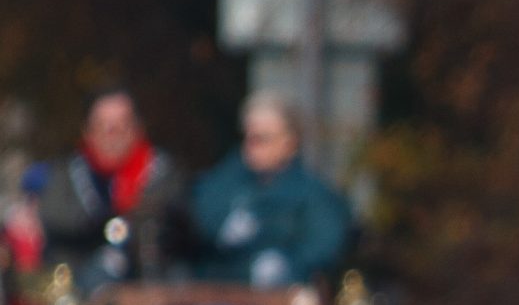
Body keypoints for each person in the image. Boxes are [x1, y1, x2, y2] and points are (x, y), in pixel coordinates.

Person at [11, 88, 191, 285]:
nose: (113, 137)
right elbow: (52, 219)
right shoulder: (64, 179)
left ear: (138, 129)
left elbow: (179, 228)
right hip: (80, 286)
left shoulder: (164, 175)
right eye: (104, 127)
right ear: (87, 132)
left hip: (155, 283)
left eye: (122, 127)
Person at [191, 92, 353, 287]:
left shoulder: (313, 195)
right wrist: (219, 227)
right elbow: (197, 221)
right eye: (248, 137)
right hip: (220, 291)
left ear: (289, 143)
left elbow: (323, 245)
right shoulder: (224, 180)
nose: (251, 146)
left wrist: (288, 264)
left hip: (280, 296)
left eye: (262, 139)